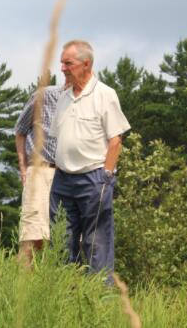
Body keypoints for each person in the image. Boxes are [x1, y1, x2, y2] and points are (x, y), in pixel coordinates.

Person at [48, 40, 130, 282]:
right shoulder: (64, 97)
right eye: (61, 62)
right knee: (61, 242)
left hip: (94, 178)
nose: (62, 68)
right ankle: (63, 299)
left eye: (67, 63)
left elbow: (116, 141)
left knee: (97, 244)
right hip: (62, 180)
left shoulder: (105, 95)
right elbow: (58, 138)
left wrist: (106, 177)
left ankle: (98, 302)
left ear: (86, 64)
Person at [14, 80, 67, 266]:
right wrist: (23, 168)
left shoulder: (86, 102)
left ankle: (61, 289)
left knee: (68, 238)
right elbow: (20, 131)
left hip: (71, 175)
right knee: (33, 235)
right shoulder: (43, 96)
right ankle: (23, 288)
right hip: (40, 171)